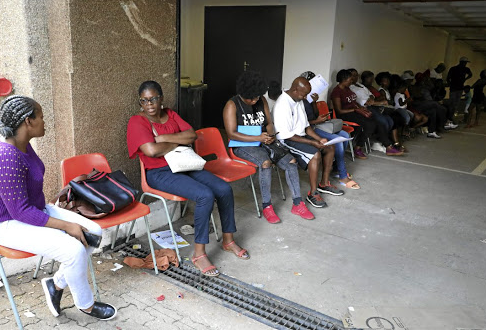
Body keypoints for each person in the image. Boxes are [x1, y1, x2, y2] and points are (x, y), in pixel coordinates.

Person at [0, 96, 117, 320]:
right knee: (73, 251)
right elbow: (19, 211)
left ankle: (56, 283)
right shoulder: (5, 156)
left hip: (32, 209)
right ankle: (86, 305)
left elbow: (26, 203)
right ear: (28, 121)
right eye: (41, 117)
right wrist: (66, 225)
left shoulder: (22, 144)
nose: (45, 122)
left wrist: (63, 222)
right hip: (0, 223)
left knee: (94, 232)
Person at [127, 81, 248, 276]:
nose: (149, 104)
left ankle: (228, 240)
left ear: (161, 98)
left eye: (153, 99)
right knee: (204, 195)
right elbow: (150, 150)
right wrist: (175, 140)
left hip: (185, 165)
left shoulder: (171, 114)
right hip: (159, 173)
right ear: (140, 102)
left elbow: (191, 136)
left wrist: (163, 139)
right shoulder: (137, 122)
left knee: (224, 189)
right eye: (144, 100)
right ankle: (199, 254)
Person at [223, 71, 314, 223]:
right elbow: (232, 134)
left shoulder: (262, 100)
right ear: (242, 93)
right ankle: (267, 206)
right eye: (250, 98)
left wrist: (270, 134)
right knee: (266, 163)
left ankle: (298, 204)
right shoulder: (232, 105)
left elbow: (269, 123)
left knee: (291, 162)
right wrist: (258, 137)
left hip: (264, 140)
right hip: (242, 145)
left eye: (256, 97)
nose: (254, 101)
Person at [273, 77, 343, 209]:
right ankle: (313, 193)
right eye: (304, 94)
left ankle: (324, 183)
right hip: (286, 140)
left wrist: (319, 139)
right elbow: (286, 135)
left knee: (329, 147)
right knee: (315, 154)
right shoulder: (282, 104)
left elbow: (307, 128)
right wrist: (313, 144)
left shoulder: (298, 100)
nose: (306, 97)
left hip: (300, 136)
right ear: (295, 90)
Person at [299, 71, 360, 190]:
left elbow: (315, 114)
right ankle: (342, 176)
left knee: (344, 134)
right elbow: (301, 124)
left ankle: (336, 167)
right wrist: (316, 122)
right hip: (309, 129)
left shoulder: (309, 99)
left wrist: (314, 102)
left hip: (317, 125)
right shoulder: (299, 100)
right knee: (338, 141)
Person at [332, 69, 402, 157]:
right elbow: (339, 111)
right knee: (370, 124)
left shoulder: (347, 89)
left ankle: (388, 147)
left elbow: (354, 102)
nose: (352, 81)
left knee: (377, 121)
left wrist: (361, 108)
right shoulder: (336, 92)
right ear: (344, 79)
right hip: (345, 115)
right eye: (350, 79)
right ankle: (358, 148)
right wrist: (355, 110)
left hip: (355, 111)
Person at [446, 56, 473, 128]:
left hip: (459, 88)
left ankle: (450, 118)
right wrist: (450, 83)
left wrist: (465, 79)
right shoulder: (454, 69)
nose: (465, 64)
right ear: (462, 62)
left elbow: (470, 74)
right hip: (454, 88)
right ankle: (448, 119)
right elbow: (448, 77)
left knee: (455, 105)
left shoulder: (465, 69)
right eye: (465, 62)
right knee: (452, 104)